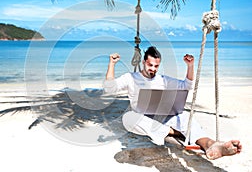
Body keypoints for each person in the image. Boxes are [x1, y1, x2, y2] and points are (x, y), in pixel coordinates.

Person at [103, 46, 242, 160]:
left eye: (156, 66)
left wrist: (190, 66)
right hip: (142, 119)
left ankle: (211, 144)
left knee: (184, 116)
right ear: (144, 62)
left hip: (162, 116)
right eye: (150, 65)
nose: (153, 69)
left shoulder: (163, 80)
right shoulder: (130, 78)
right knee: (128, 118)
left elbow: (187, 86)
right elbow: (109, 88)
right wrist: (112, 64)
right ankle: (173, 131)